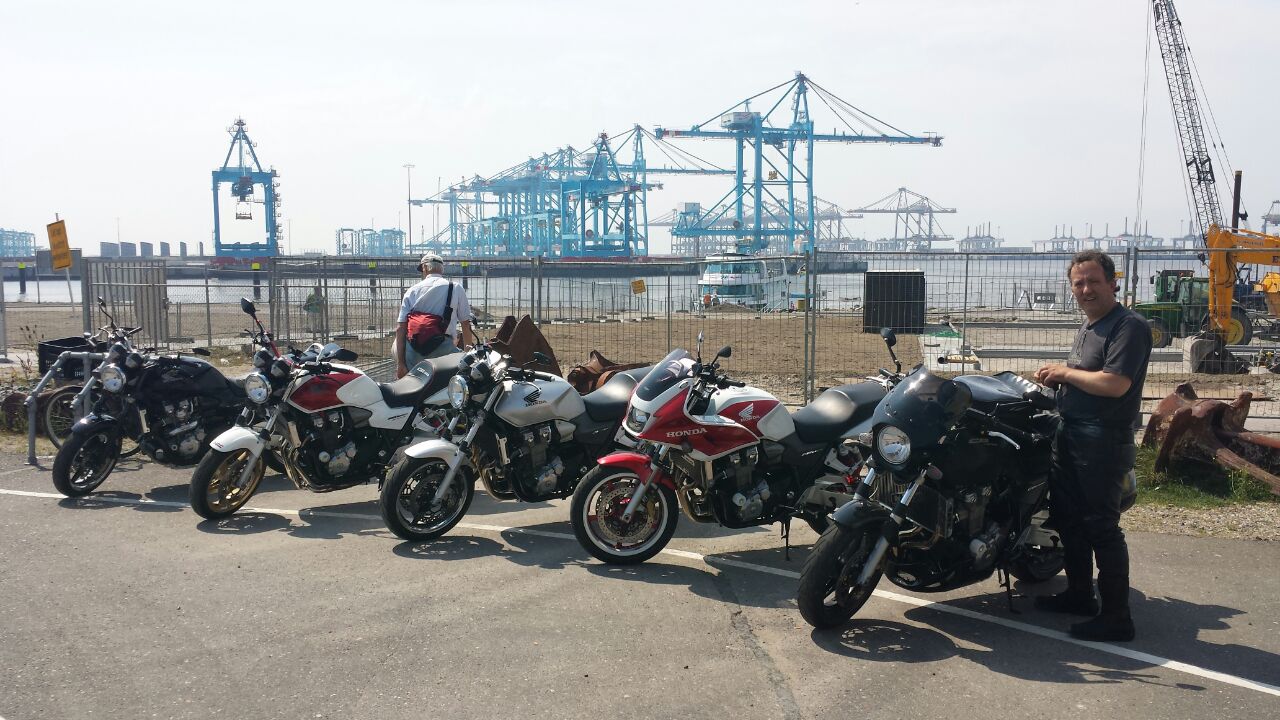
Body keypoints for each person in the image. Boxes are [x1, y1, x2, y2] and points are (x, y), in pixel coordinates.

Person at [1033, 250, 1152, 642]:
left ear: (1113, 283)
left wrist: (1066, 372)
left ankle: (1117, 618)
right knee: (1069, 520)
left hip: (1103, 440)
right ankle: (1080, 594)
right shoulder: (1090, 325)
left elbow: (1114, 384)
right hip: (1070, 432)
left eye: (1093, 281)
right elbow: (1088, 375)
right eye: (1078, 283)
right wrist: (1059, 378)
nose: (1086, 289)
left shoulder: (1129, 326)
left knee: (1102, 527)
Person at [395, 253, 476, 378]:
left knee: (412, 382)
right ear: (442, 269)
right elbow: (465, 324)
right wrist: (467, 354)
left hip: (414, 350)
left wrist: (401, 364)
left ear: (424, 268)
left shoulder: (412, 291)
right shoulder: (455, 288)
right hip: (443, 350)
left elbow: (401, 328)